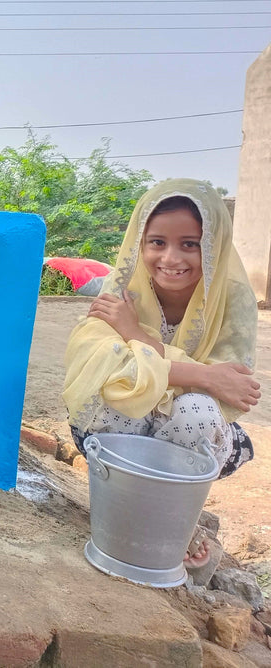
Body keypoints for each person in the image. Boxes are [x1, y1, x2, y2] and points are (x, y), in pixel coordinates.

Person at [62, 178, 261, 565]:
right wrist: (202, 375)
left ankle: (176, 522)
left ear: (214, 245)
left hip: (191, 433)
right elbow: (97, 362)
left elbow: (230, 390)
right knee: (117, 393)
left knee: (197, 412)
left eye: (190, 243)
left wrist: (135, 339)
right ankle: (126, 517)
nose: (171, 258)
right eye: (157, 242)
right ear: (140, 242)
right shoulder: (121, 290)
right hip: (120, 428)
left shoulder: (233, 300)